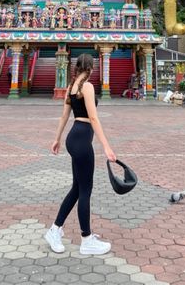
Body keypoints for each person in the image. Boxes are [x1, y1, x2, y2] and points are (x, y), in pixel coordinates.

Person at [45, 54, 116, 255]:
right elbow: (93, 117)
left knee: (77, 188)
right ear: (91, 67)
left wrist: (57, 138)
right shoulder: (87, 86)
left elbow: (64, 116)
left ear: (77, 67)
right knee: (85, 190)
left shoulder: (71, 86)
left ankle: (55, 229)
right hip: (83, 139)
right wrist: (106, 146)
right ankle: (86, 239)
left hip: (73, 138)